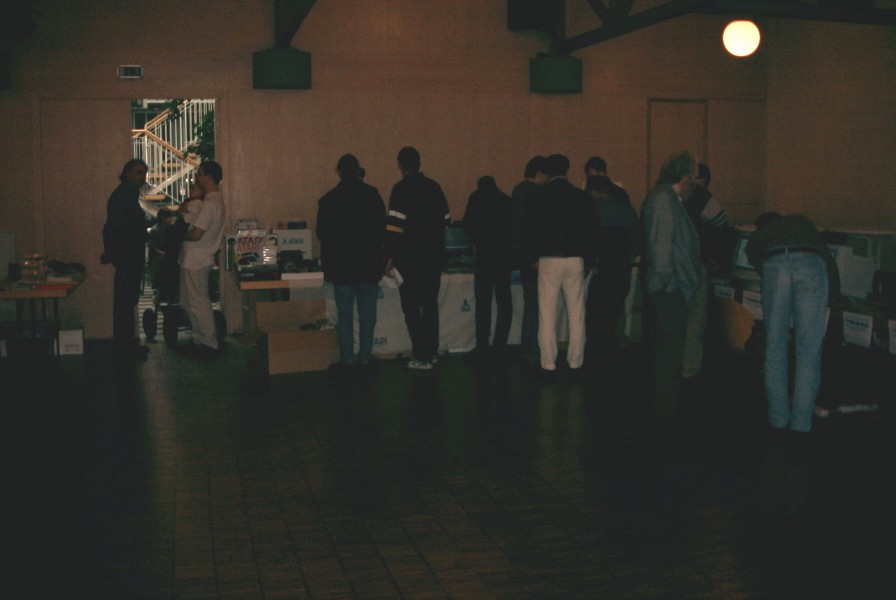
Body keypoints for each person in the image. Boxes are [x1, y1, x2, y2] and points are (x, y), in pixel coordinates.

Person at [745, 212, 841, 433]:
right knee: (808, 350)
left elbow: (750, 250)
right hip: (810, 265)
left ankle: (778, 419)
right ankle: (801, 423)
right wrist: (835, 297)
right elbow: (827, 259)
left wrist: (765, 272)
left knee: (774, 348)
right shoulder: (801, 221)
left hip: (774, 265)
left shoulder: (764, 232)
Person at [640, 151, 701, 418]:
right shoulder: (665, 200)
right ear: (684, 177)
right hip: (669, 291)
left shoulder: (663, 198)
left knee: (668, 352)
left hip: (668, 288)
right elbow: (662, 249)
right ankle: (665, 411)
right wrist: (670, 286)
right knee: (669, 354)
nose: (695, 184)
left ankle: (664, 408)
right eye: (694, 179)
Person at [525, 153, 595, 375]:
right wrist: (588, 259)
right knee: (577, 314)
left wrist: (533, 257)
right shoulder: (582, 197)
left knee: (547, 314)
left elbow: (531, 229)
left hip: (548, 260)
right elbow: (591, 230)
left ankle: (548, 363)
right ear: (567, 170)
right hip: (575, 259)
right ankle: (576, 362)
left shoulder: (538, 196)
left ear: (547, 172)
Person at [316, 153, 386, 371]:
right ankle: (365, 356)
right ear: (358, 171)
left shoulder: (328, 200)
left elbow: (322, 234)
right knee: (367, 315)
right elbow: (381, 231)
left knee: (344, 315)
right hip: (368, 265)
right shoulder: (372, 195)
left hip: (342, 267)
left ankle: (348, 357)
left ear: (338, 172)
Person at [385, 146, 451, 370]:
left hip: (409, 260)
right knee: (430, 305)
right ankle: (431, 353)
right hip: (433, 258)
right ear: (419, 163)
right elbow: (447, 221)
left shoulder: (400, 189)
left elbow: (394, 228)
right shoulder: (434, 187)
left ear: (400, 165)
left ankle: (421, 355)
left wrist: (390, 257)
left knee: (412, 308)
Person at [680, 162, 737, 378]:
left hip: (676, 264)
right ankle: (690, 367)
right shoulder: (704, 198)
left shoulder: (675, 196)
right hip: (697, 264)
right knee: (695, 320)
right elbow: (722, 227)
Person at [584, 174, 640, 363]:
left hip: (601, 272)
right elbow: (637, 243)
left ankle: (596, 356)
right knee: (615, 314)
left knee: (595, 314)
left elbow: (587, 244)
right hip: (622, 271)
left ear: (593, 192)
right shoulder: (626, 211)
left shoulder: (591, 212)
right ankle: (614, 353)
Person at [101, 158, 152, 362]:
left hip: (127, 255)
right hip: (128, 255)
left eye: (144, 173)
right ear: (127, 173)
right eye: (139, 172)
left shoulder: (126, 194)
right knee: (125, 303)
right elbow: (121, 226)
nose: (143, 177)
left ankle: (126, 347)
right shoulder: (125, 195)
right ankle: (125, 349)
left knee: (126, 301)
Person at [178, 161, 226, 357]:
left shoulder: (211, 203)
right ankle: (199, 339)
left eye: (200, 174)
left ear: (209, 178)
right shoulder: (211, 201)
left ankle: (208, 342)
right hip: (193, 259)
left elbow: (196, 234)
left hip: (197, 259)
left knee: (198, 302)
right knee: (187, 302)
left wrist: (179, 233)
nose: (197, 178)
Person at [463, 175, 513, 354]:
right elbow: (512, 228)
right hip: (503, 257)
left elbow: (467, 224)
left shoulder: (476, 198)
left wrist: (475, 241)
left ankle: (482, 344)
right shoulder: (505, 199)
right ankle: (501, 343)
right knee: (504, 302)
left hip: (484, 257)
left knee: (483, 302)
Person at [510, 155, 548, 364]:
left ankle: (527, 346)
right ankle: (533, 346)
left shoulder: (518, 191)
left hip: (523, 257)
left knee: (530, 304)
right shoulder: (535, 193)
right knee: (537, 305)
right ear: (539, 174)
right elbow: (535, 229)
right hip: (535, 259)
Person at [146, 208, 180, 308]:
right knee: (167, 263)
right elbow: (154, 248)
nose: (172, 219)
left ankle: (172, 292)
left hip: (168, 254)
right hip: (158, 255)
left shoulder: (172, 228)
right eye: (170, 217)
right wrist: (166, 253)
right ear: (163, 218)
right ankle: (164, 290)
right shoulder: (155, 230)